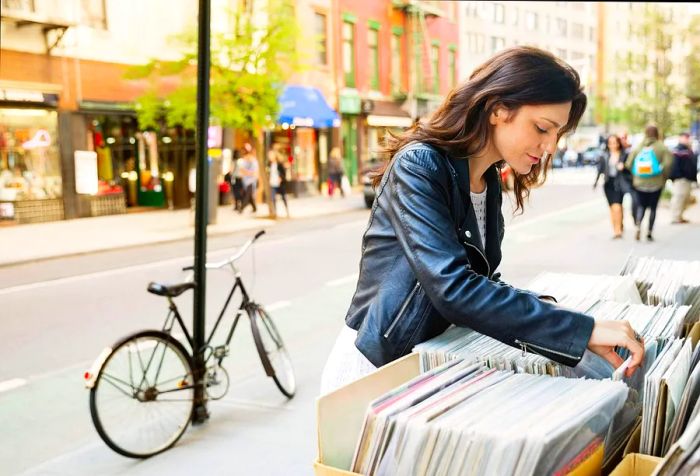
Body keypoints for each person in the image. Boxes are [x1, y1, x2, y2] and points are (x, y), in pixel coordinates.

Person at [319, 46, 644, 395]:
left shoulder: (487, 180)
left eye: (557, 134)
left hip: (432, 364)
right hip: (376, 370)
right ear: (498, 109)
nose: (550, 147)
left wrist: (555, 313)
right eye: (542, 128)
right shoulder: (420, 166)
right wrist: (580, 330)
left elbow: (480, 283)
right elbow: (454, 288)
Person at [625, 125, 673, 241]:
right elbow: (668, 164)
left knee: (641, 206)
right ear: (657, 133)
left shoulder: (638, 147)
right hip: (656, 184)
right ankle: (649, 232)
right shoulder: (662, 147)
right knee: (653, 208)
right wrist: (663, 177)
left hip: (640, 184)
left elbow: (628, 164)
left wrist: (636, 175)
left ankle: (638, 226)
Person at [593, 134, 630, 239]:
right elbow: (600, 170)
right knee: (612, 208)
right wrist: (595, 183)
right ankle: (616, 229)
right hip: (608, 184)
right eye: (610, 143)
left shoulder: (624, 155)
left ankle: (618, 230)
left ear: (618, 143)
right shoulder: (604, 155)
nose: (613, 145)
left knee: (617, 207)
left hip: (619, 184)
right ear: (608, 144)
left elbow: (630, 169)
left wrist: (624, 167)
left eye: (615, 142)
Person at [669, 132, 698, 224]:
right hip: (681, 179)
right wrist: (678, 176)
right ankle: (675, 217)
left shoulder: (688, 150)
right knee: (678, 197)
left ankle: (679, 216)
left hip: (688, 179)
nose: (687, 139)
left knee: (685, 198)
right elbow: (674, 166)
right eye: (685, 137)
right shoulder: (677, 150)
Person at [267, 148, 290, 217]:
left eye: (271, 155)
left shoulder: (279, 164)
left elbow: (283, 173)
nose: (270, 157)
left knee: (283, 197)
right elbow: (268, 173)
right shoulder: (269, 164)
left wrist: (281, 178)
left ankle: (287, 210)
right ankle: (275, 212)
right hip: (272, 183)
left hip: (280, 184)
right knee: (273, 198)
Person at [239, 142, 259, 214]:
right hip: (246, 180)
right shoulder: (244, 159)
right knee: (249, 195)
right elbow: (241, 170)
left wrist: (247, 172)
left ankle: (241, 208)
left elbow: (254, 172)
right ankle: (254, 208)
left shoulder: (254, 161)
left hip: (251, 180)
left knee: (247, 195)